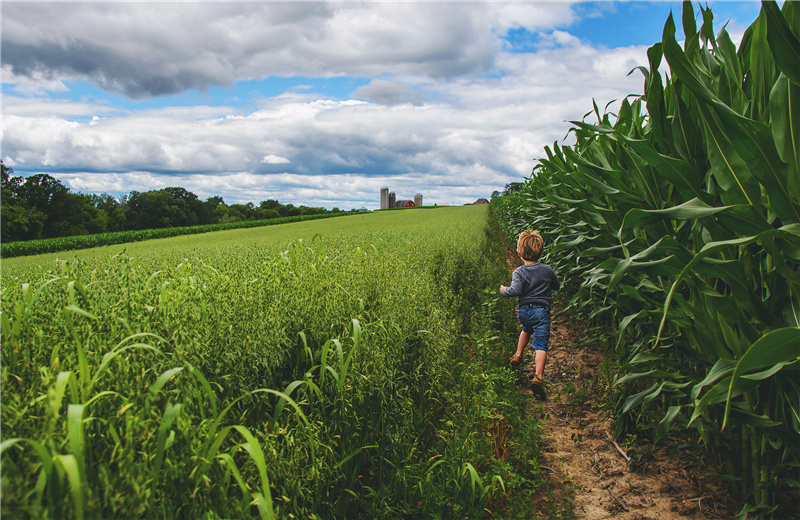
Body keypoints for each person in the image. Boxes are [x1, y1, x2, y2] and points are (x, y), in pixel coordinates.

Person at [499, 230, 559, 391]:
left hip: (524, 313)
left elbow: (515, 290)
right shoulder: (547, 269)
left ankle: (518, 355)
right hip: (541, 312)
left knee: (526, 330)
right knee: (541, 345)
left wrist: (503, 290)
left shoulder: (518, 272)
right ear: (540, 252)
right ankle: (538, 377)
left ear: (519, 253)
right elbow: (556, 286)